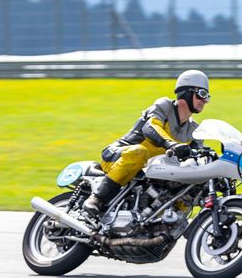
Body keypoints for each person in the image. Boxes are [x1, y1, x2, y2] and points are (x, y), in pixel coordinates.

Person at [82, 70, 211, 217]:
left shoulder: (195, 129)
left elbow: (198, 156)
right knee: (139, 152)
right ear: (186, 92)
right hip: (119, 155)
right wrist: (171, 144)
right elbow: (150, 127)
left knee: (190, 184)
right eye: (201, 94)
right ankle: (97, 198)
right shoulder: (165, 106)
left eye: (207, 96)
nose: (205, 100)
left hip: (150, 170)